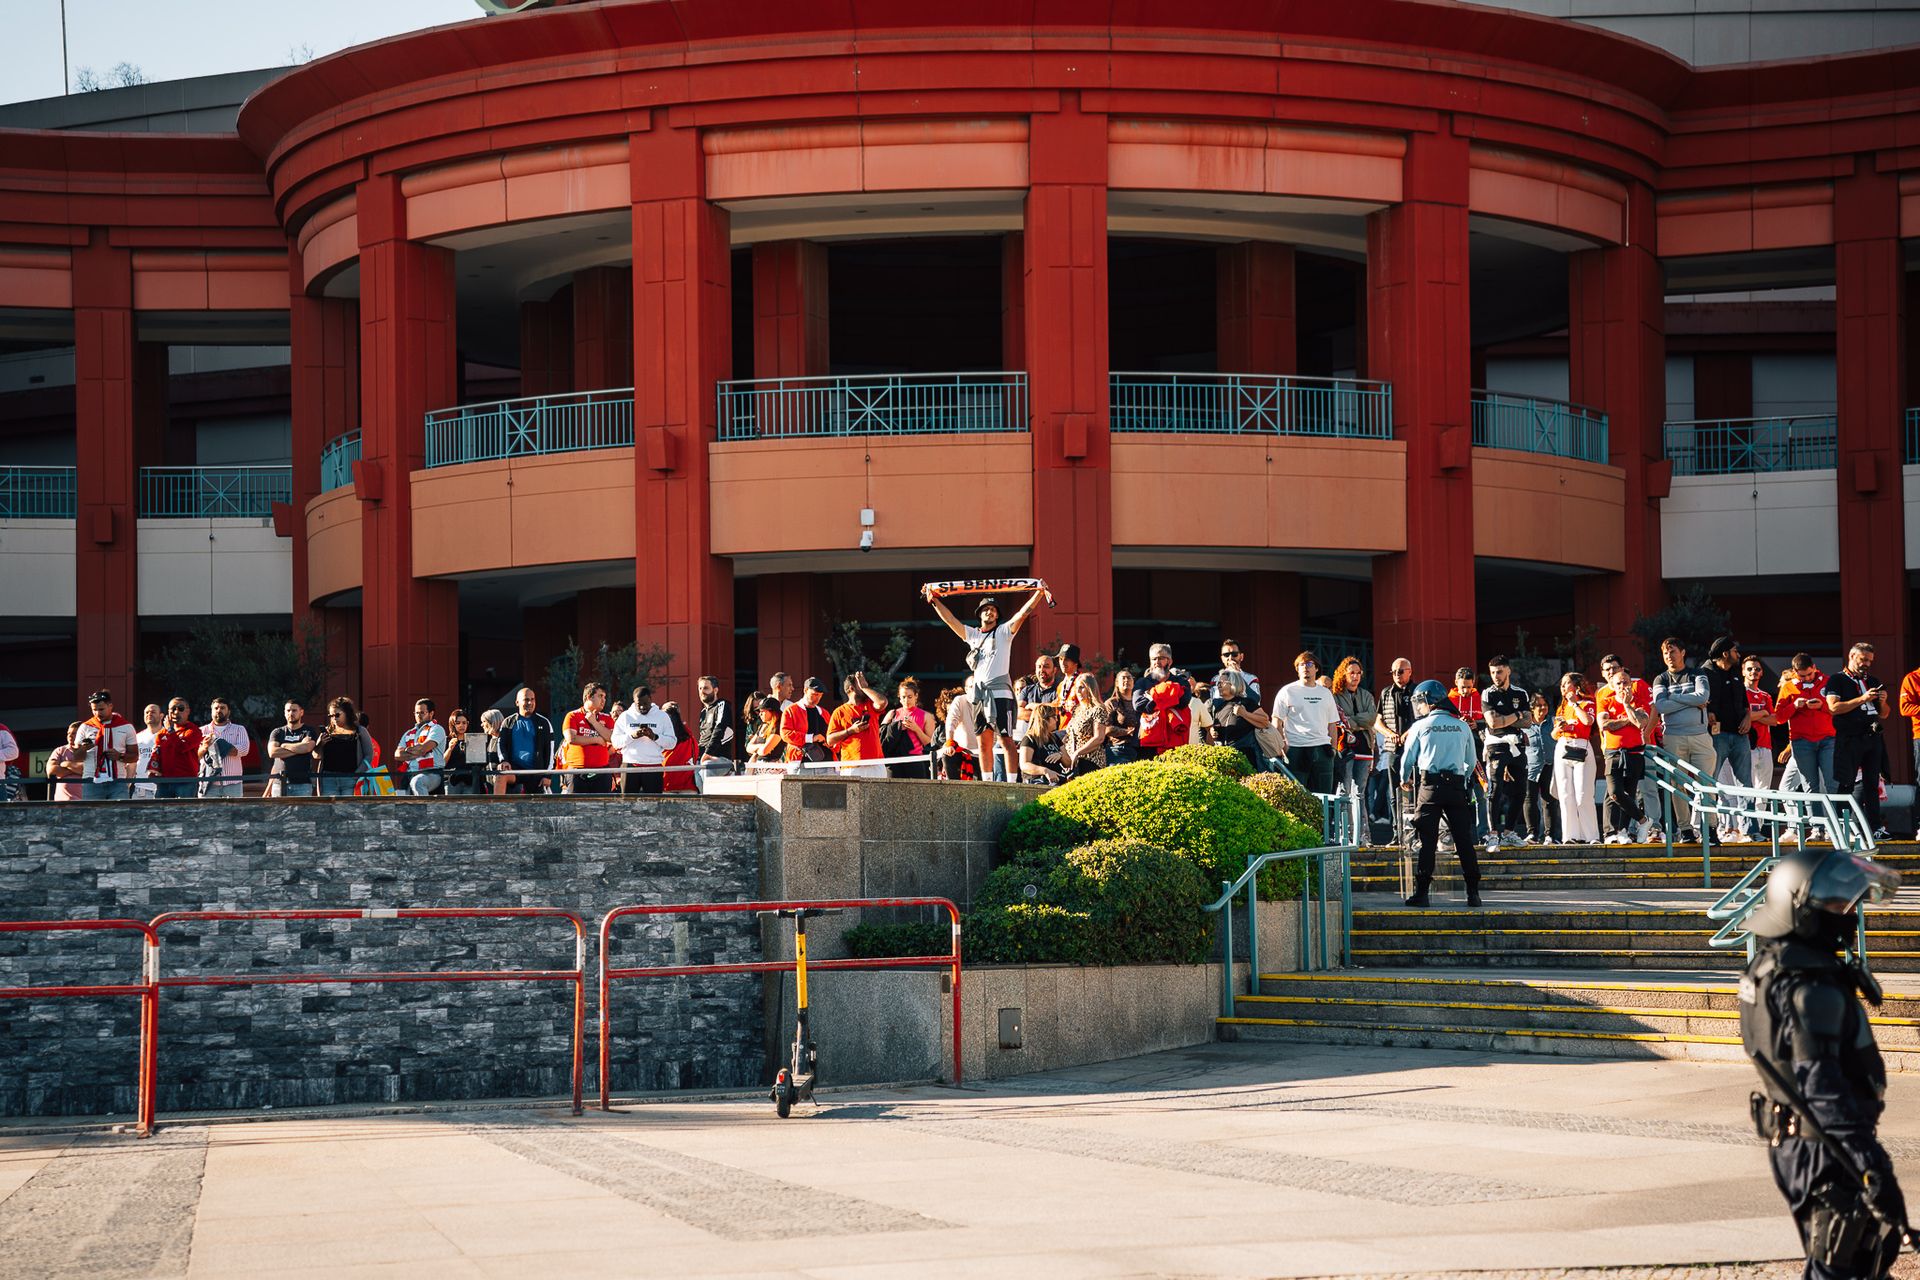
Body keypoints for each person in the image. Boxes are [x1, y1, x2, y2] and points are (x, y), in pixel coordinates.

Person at [1739, 847, 1907, 1280]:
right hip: (1825, 1149)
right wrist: (1872, 1166)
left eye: (1849, 904)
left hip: (1802, 1143)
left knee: (1862, 1263)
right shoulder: (1808, 987)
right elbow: (1822, 1088)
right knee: (1842, 1268)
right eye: (1836, 905)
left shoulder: (1771, 966)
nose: (1848, 914)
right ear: (1799, 906)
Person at [926, 586, 1045, 785]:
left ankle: (1012, 783)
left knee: (1006, 741)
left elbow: (1023, 613)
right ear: (980, 614)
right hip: (980, 696)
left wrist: (1039, 593)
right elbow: (950, 620)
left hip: (1001, 694)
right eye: (985, 609)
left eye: (993, 609)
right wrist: (935, 601)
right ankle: (988, 782)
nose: (989, 612)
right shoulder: (973, 635)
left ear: (997, 615)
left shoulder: (1004, 631)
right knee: (983, 742)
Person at [1399, 680, 1483, 908]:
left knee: (1427, 841)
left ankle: (1422, 892)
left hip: (1430, 787)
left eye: (1420, 702)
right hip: (1456, 787)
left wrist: (1403, 778)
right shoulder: (1462, 726)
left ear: (1429, 700)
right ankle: (1473, 893)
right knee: (1464, 841)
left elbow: (1407, 759)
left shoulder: (1420, 726)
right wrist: (1462, 780)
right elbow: (1471, 761)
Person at [1650, 636, 1714, 841]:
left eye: (1673, 651)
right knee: (1677, 784)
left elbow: (1703, 697)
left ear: (1683, 652)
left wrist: (1674, 697)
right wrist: (1690, 700)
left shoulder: (1698, 673)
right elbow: (1660, 707)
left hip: (1701, 736)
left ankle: (1710, 829)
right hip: (1673, 737)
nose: (1669, 656)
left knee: (1706, 784)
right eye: (1665, 653)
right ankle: (1685, 830)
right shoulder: (1661, 679)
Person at [1826, 642, 1891, 841]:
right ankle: (1841, 827)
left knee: (1872, 784)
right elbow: (1833, 708)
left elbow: (1885, 714)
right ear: (1852, 656)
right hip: (1849, 737)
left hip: (1872, 737)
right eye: (1863, 659)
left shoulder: (1873, 680)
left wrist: (1882, 700)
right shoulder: (1837, 679)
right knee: (1846, 783)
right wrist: (1862, 699)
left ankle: (1875, 827)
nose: (1866, 664)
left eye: (1869, 661)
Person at [1778, 654, 1836, 840]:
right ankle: (1817, 828)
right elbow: (1779, 717)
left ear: (1815, 667)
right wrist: (1794, 706)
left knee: (1832, 783)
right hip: (1801, 742)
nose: (1807, 678)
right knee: (1810, 786)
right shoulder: (1788, 687)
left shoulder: (1828, 682)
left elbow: (1838, 709)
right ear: (1795, 672)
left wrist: (1822, 707)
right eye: (1802, 676)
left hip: (1828, 739)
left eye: (1810, 674)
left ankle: (1833, 828)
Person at [1597, 661, 1655, 844]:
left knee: (1629, 793)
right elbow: (1604, 725)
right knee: (1615, 792)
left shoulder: (1638, 701)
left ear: (1631, 684)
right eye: (1619, 683)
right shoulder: (1606, 700)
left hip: (1635, 753)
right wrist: (1626, 721)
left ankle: (1621, 831)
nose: (1622, 686)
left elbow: (1641, 723)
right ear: (1613, 685)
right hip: (1614, 752)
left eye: (1625, 682)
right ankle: (1643, 820)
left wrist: (1627, 706)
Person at [1704, 637, 1754, 835]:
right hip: (1717, 736)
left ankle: (1750, 830)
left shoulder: (1735, 673)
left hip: (1740, 736)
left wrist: (1748, 718)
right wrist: (1707, 713)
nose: (1738, 655)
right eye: (1735, 651)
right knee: (1710, 783)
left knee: (1746, 784)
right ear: (1725, 653)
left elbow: (1745, 702)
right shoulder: (1705, 672)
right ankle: (1708, 829)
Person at [1272, 651, 1340, 793]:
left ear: (1316, 668)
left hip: (1323, 749)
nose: (1305, 667)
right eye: (1301, 665)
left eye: (1309, 664)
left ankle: (1324, 817)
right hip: (1296, 749)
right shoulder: (1287, 691)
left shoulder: (1325, 693)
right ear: (1297, 669)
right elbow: (1276, 721)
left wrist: (1333, 748)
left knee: (1325, 796)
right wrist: (1283, 747)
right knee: (1297, 797)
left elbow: (1332, 724)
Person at [1481, 656, 1530, 849]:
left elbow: (1528, 721)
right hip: (1496, 744)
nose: (1495, 676)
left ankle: (1509, 831)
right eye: (1492, 672)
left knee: (1520, 791)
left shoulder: (1521, 693)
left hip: (1517, 744)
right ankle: (1492, 835)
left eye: (1499, 671)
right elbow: (1493, 723)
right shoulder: (1488, 694)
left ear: (1508, 670)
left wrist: (1507, 718)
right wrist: (1517, 715)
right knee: (1495, 790)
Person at [1330, 658, 1376, 839]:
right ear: (1343, 674)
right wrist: (1358, 720)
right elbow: (1340, 720)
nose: (1355, 676)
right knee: (1344, 791)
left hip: (1365, 748)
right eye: (1351, 673)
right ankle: (1346, 834)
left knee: (1360, 793)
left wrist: (1353, 721)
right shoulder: (1335, 695)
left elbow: (1371, 718)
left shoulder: (1366, 695)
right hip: (1345, 748)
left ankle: (1364, 835)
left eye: (1358, 673)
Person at [1553, 672, 1599, 845]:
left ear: (1577, 686)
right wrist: (1559, 728)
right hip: (1563, 746)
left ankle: (1591, 836)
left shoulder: (1587, 703)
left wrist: (1574, 703)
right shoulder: (1562, 708)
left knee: (1583, 795)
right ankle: (1570, 835)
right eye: (1562, 685)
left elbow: (1587, 722)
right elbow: (1553, 734)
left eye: (1566, 684)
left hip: (1581, 747)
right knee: (1566, 794)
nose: (1563, 688)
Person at [1374, 658, 1417, 844]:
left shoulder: (1418, 691)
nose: (1397, 675)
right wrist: (1389, 733)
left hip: (1414, 747)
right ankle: (1397, 834)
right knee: (1393, 794)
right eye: (1394, 672)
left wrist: (1408, 733)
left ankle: (1417, 834)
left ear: (1410, 671)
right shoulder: (1386, 693)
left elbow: (1423, 718)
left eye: (1401, 671)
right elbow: (1377, 721)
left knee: (1416, 792)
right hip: (1393, 748)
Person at [613, 684, 678, 794]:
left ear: (650, 700)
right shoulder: (625, 716)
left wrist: (654, 737)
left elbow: (672, 743)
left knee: (653, 806)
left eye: (645, 703)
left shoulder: (662, 716)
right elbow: (615, 743)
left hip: (654, 766)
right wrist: (632, 736)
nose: (642, 707)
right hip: (630, 765)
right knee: (628, 806)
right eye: (639, 704)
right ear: (634, 701)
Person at [823, 673, 888, 779]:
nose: (864, 684)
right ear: (852, 688)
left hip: (876, 763)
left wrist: (865, 687)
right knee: (853, 796)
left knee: (878, 796)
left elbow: (882, 702)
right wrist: (850, 731)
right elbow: (830, 740)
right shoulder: (839, 712)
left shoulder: (870, 704)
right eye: (860, 684)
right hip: (852, 765)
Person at [78, 689, 137, 800]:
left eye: (101, 709)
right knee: (92, 815)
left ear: (110, 706)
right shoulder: (85, 727)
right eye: (94, 710)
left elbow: (134, 756)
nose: (97, 713)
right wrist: (83, 749)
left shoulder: (126, 726)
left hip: (118, 781)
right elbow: (76, 757)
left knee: (120, 815)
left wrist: (120, 756)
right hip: (91, 780)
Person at [1209, 669, 1269, 774]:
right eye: (1218, 682)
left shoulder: (1247, 702)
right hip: (1227, 761)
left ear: (1233, 683)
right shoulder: (1219, 708)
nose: (1218, 685)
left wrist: (1244, 713)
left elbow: (1264, 721)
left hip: (1248, 760)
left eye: (1222, 682)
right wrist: (1213, 732)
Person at [498, 687, 556, 794]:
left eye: (532, 699)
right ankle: (497, 809)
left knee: (538, 809)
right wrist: (504, 760)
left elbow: (550, 751)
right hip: (515, 771)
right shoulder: (508, 722)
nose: (530, 702)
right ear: (517, 702)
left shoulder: (544, 722)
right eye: (526, 699)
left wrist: (548, 775)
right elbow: (500, 744)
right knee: (500, 775)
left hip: (536, 773)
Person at [1520, 692, 1559, 844]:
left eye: (1545, 705)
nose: (1542, 708)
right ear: (1531, 708)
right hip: (1530, 767)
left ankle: (1550, 835)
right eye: (1538, 705)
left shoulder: (1553, 722)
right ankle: (1532, 834)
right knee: (1529, 799)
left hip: (1550, 764)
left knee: (1549, 800)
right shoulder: (1524, 724)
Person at [563, 684, 616, 794]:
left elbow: (612, 738)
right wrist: (596, 739)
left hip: (602, 771)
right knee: (577, 808)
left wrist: (594, 722)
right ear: (588, 697)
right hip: (577, 772)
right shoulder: (573, 715)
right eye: (600, 696)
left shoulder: (607, 718)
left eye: (605, 697)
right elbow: (571, 738)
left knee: (601, 809)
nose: (603, 700)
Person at [315, 697, 371, 796]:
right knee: (330, 810)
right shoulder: (327, 731)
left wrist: (357, 774)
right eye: (331, 715)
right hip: (329, 779)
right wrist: (320, 744)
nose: (334, 718)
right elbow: (316, 756)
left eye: (337, 715)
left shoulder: (359, 730)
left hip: (350, 779)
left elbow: (369, 755)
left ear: (347, 713)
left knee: (348, 810)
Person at [882, 677, 936, 778]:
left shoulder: (927, 716)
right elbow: (881, 735)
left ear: (916, 696)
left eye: (910, 697)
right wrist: (895, 728)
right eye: (903, 697)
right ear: (899, 698)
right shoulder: (892, 713)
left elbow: (930, 743)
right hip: (894, 759)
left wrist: (916, 729)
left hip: (915, 759)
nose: (906, 700)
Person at [393, 698, 448, 797]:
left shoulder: (437, 729)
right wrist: (415, 751)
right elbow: (397, 755)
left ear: (431, 714)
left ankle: (424, 812)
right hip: (410, 773)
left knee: (417, 782)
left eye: (422, 713)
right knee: (399, 796)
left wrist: (407, 751)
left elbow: (424, 749)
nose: (418, 716)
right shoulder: (408, 733)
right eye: (416, 713)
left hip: (431, 773)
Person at [198, 697, 251, 799]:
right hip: (209, 784)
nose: (219, 710)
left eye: (222, 708)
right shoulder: (201, 730)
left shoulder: (239, 729)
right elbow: (196, 755)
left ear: (228, 711)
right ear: (211, 711)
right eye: (216, 708)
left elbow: (244, 750)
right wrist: (205, 747)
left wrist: (216, 747)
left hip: (233, 784)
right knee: (207, 815)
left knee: (235, 815)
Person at [151, 699, 204, 799]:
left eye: (181, 709)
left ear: (188, 711)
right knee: (160, 812)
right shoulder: (162, 733)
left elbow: (181, 747)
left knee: (184, 812)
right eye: (173, 709)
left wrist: (170, 731)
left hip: (185, 782)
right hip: (164, 782)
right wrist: (153, 770)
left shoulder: (193, 730)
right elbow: (157, 754)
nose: (176, 712)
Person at [1060, 673, 1111, 777]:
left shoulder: (1098, 709)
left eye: (1082, 688)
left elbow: (1099, 738)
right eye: (1076, 688)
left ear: (1090, 689)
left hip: (1090, 761)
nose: (1078, 691)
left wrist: (1078, 752)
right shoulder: (1077, 710)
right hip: (1073, 762)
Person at [267, 700, 319, 798]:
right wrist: (300, 748)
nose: (291, 713)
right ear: (284, 713)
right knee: (280, 814)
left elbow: (308, 748)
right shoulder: (277, 732)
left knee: (302, 813)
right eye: (288, 710)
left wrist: (284, 745)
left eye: (294, 710)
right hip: (279, 784)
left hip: (302, 784)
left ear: (301, 712)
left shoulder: (309, 731)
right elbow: (272, 752)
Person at [781, 677, 833, 770]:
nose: (818, 698)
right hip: (800, 762)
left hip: (826, 762)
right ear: (805, 690)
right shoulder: (791, 710)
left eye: (820, 695)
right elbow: (785, 734)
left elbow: (831, 735)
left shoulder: (824, 713)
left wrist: (829, 743)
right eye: (815, 694)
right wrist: (811, 738)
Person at [1745, 656, 1780, 795]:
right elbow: (1743, 717)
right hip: (1747, 746)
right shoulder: (1740, 692)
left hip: (1766, 745)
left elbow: (1775, 720)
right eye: (1749, 669)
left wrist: (1754, 716)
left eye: (1757, 669)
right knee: (1748, 788)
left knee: (1764, 790)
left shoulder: (1766, 695)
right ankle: (1748, 818)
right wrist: (1764, 712)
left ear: (1762, 673)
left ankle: (1759, 818)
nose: (1754, 671)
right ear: (1743, 672)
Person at [695, 675, 736, 787]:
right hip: (703, 758)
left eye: (706, 688)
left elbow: (719, 729)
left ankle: (709, 803)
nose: (702, 691)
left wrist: (708, 753)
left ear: (715, 690)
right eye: (700, 688)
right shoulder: (703, 712)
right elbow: (702, 738)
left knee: (706, 768)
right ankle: (702, 802)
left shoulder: (722, 705)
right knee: (691, 771)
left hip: (721, 759)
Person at [936, 686, 983, 781]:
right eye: (971, 686)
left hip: (982, 753)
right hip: (961, 752)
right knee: (947, 755)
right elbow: (950, 725)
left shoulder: (986, 700)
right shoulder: (960, 701)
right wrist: (949, 743)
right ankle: (954, 788)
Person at [1019, 703, 1069, 785]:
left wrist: (1060, 755)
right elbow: (1024, 765)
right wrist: (1045, 771)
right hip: (1037, 783)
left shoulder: (1055, 738)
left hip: (1057, 782)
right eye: (1054, 717)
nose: (1057, 720)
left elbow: (1068, 763)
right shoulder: (1029, 739)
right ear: (1044, 720)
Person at [1103, 669, 1143, 766]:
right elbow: (1106, 729)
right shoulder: (1111, 703)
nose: (1126, 680)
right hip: (1118, 750)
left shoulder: (1139, 703)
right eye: (1123, 678)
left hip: (1140, 750)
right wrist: (1127, 732)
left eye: (1129, 678)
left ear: (1133, 682)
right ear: (1117, 683)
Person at [441, 708, 482, 795]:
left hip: (469, 780)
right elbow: (442, 763)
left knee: (469, 807)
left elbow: (479, 762)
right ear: (452, 724)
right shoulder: (446, 740)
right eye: (458, 723)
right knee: (451, 806)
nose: (461, 726)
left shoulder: (473, 739)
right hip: (452, 780)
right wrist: (450, 749)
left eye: (464, 723)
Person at [744, 697, 790, 774]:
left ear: (772, 712)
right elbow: (748, 747)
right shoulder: (763, 726)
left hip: (773, 769)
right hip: (759, 767)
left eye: (763, 711)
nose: (760, 714)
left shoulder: (778, 728)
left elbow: (764, 751)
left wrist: (757, 748)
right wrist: (760, 746)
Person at [47, 722, 87, 801]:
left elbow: (87, 769)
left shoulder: (91, 751)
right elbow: (51, 771)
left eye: (74, 733)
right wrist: (76, 769)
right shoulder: (60, 751)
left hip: (86, 803)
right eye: (68, 733)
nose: (70, 736)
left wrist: (66, 764)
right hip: (63, 804)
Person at [131, 703, 163, 800]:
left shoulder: (168, 736)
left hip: (162, 789)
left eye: (153, 712)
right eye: (147, 712)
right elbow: (132, 763)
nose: (149, 714)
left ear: (161, 716)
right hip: (141, 790)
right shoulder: (137, 737)